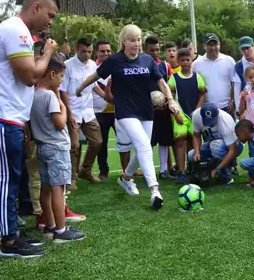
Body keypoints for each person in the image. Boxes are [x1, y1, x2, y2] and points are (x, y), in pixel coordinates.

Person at [0, 0, 59, 258]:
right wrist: (47, 53)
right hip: (1, 115)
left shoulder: (17, 31)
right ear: (35, 7)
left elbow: (24, 74)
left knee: (11, 177)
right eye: (50, 15)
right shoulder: (17, 30)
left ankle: (11, 231)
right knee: (5, 178)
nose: (51, 22)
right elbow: (30, 77)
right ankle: (9, 242)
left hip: (9, 116)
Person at [74, 24, 180, 210]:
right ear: (124, 41)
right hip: (125, 112)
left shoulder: (147, 60)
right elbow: (95, 76)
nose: (136, 43)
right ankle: (155, 190)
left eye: (139, 39)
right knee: (144, 145)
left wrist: (170, 100)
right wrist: (80, 89)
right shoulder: (115, 60)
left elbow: (161, 81)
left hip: (146, 111)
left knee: (143, 148)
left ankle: (126, 178)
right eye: (132, 40)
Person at [31, 57, 86, 243]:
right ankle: (61, 231)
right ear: (52, 74)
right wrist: (63, 108)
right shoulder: (49, 96)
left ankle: (50, 225)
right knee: (58, 188)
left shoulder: (34, 94)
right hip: (57, 147)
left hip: (42, 146)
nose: (62, 80)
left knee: (45, 188)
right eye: (61, 76)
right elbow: (59, 123)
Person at [60, 38, 104, 186]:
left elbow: (94, 85)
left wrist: (106, 96)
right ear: (76, 49)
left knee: (97, 141)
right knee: (74, 146)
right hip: (73, 110)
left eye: (90, 52)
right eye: (84, 51)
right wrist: (69, 113)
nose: (87, 55)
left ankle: (85, 170)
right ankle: (71, 178)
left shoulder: (93, 65)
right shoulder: (67, 66)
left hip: (88, 111)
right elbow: (63, 91)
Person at [168, 48, 207, 184]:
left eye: (188, 60)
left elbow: (202, 94)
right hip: (180, 115)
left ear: (192, 61)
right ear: (178, 61)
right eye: (182, 60)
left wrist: (197, 110)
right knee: (179, 142)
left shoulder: (197, 77)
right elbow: (170, 97)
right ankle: (181, 171)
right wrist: (176, 112)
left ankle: (193, 169)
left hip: (194, 115)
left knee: (194, 141)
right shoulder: (174, 78)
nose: (185, 63)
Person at [189, 103, 244, 185]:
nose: (209, 124)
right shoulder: (196, 115)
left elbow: (232, 151)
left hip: (235, 146)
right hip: (213, 144)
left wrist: (217, 169)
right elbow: (196, 136)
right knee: (191, 155)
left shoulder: (226, 120)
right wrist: (197, 152)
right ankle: (203, 174)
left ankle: (226, 177)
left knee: (215, 145)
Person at [144, 36, 174, 179]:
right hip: (146, 109)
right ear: (145, 50)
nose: (155, 52)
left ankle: (163, 170)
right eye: (152, 50)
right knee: (148, 141)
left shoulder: (164, 65)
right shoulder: (140, 65)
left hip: (163, 109)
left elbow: (168, 84)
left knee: (164, 140)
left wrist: (169, 101)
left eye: (157, 50)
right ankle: (147, 171)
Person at [192, 34, 239, 116]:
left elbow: (234, 83)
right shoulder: (196, 64)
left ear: (219, 45)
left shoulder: (229, 61)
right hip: (207, 108)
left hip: (227, 107)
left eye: (215, 44)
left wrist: (232, 100)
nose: (212, 47)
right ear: (204, 46)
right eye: (209, 45)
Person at [93, 40, 114, 180]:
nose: (106, 54)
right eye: (102, 51)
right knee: (102, 143)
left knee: (125, 141)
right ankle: (103, 170)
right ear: (96, 52)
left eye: (108, 51)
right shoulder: (91, 68)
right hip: (99, 111)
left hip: (117, 111)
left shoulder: (117, 66)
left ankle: (128, 169)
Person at [234, 36, 254, 106]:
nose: (246, 51)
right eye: (243, 49)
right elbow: (237, 91)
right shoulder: (239, 66)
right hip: (251, 103)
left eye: (248, 48)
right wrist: (239, 111)